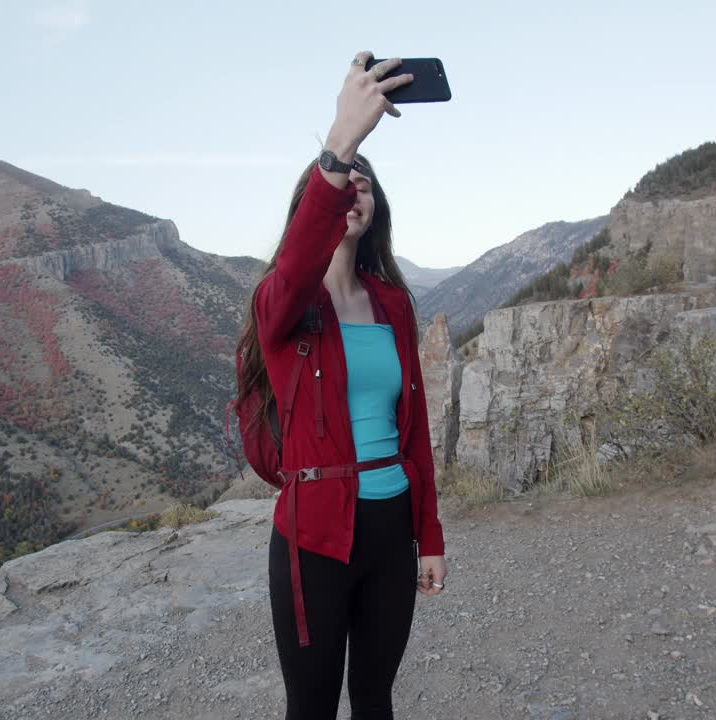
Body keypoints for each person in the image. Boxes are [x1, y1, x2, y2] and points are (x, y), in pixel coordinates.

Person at [233, 51, 448, 719]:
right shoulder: (283, 306)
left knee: (376, 697)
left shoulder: (394, 304)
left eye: (364, 182)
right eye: (338, 183)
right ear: (311, 206)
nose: (353, 188)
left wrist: (430, 536)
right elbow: (297, 266)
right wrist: (340, 142)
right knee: (313, 706)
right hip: (314, 535)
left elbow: (415, 434)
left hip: (392, 528)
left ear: (376, 205)